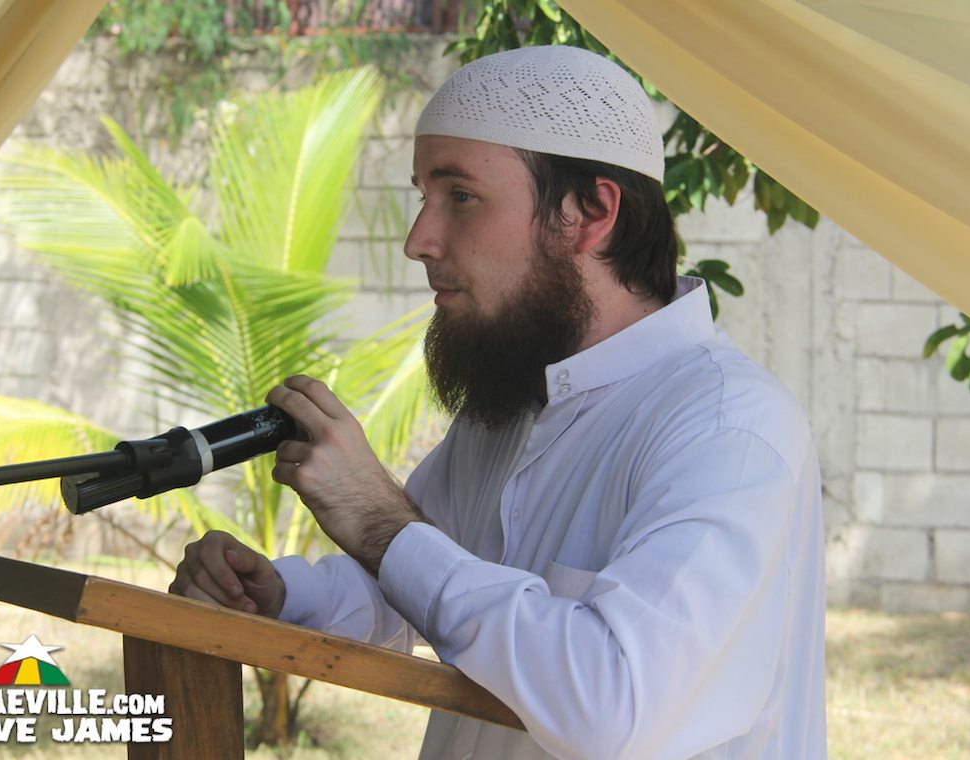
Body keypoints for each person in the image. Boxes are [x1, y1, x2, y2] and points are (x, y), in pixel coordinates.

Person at [170, 45, 826, 759]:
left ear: (590, 212)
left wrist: (381, 521)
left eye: (461, 197)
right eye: (425, 196)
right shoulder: (515, 402)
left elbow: (614, 703)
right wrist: (276, 598)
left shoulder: (727, 429)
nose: (419, 239)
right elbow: (410, 592)